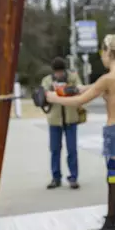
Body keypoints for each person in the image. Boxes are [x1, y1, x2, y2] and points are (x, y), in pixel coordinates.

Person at [45, 34, 115, 230]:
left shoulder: (109, 78)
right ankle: (110, 226)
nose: (102, 56)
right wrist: (76, 87)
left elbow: (81, 101)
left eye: (103, 52)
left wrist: (52, 97)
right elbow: (92, 89)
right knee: (113, 181)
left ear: (108, 53)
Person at [41, 57, 83, 190]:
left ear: (64, 70)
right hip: (54, 120)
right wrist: (52, 91)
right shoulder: (47, 80)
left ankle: (73, 178)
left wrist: (69, 89)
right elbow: (42, 96)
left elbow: (81, 89)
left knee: (72, 150)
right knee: (54, 149)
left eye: (61, 72)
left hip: (70, 118)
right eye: (56, 72)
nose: (59, 74)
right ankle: (56, 177)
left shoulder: (73, 77)